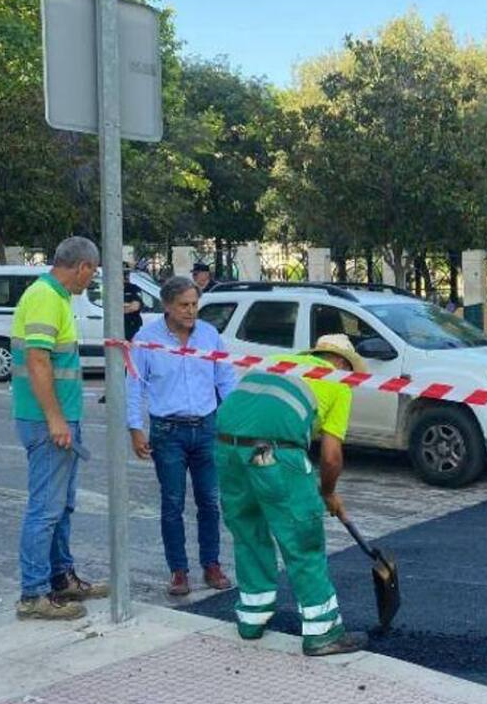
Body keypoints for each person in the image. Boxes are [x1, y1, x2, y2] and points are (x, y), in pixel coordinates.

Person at [214, 334, 370, 657]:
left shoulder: (276, 363)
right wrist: (328, 493)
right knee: (303, 537)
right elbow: (330, 457)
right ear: (341, 363)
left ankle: (251, 619)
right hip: (273, 452)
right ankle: (323, 632)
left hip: (226, 447)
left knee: (247, 531)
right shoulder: (337, 382)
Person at [11, 236, 109, 620]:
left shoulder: (56, 297)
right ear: (82, 266)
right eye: (93, 273)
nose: (91, 280)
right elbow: (37, 361)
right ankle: (33, 594)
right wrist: (55, 418)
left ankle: (61, 579)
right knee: (45, 510)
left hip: (61, 419)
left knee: (61, 506)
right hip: (47, 421)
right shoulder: (45, 297)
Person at [127, 276, 237, 596]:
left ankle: (211, 564)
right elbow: (132, 386)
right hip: (168, 432)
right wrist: (135, 429)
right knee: (172, 503)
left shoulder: (210, 335)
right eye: (184, 305)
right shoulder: (146, 339)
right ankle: (178, 570)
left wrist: (234, 421)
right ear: (167, 306)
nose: (191, 311)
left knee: (209, 502)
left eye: (194, 305)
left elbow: (226, 381)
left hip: (206, 428)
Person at [122, 269, 144, 340]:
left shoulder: (133, 288)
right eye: (123, 275)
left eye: (127, 275)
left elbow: (134, 307)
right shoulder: (110, 288)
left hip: (131, 325)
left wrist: (117, 309)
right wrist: (126, 305)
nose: (126, 277)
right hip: (116, 326)